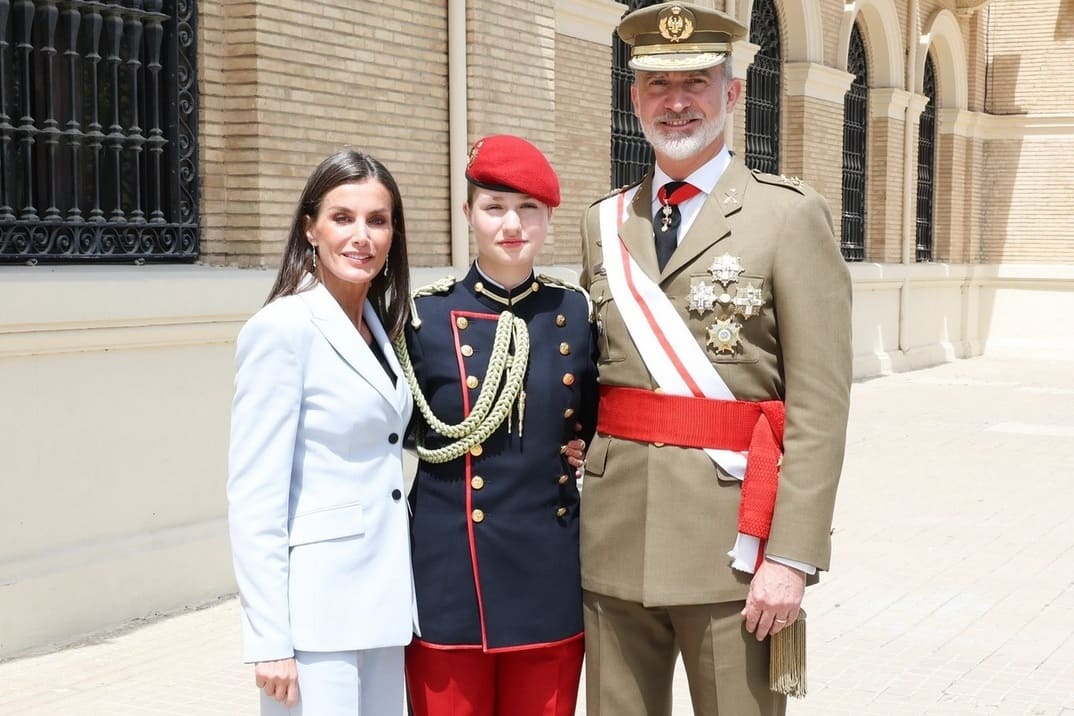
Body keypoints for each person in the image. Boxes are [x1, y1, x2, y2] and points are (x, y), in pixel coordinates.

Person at [577, 3, 853, 715]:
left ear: (731, 95)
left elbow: (821, 406)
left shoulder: (788, 217)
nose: (676, 102)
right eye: (657, 85)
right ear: (635, 98)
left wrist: (790, 558)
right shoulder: (603, 223)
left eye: (695, 82)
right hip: (614, 542)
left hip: (736, 550)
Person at [395, 134, 598, 716]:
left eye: (528, 209)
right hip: (450, 571)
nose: (512, 224)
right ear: (468, 215)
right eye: (493, 207)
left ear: (548, 217)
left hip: (548, 571)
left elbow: (596, 422)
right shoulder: (422, 316)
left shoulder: (576, 314)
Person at [227, 149, 417, 715]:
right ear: (310, 228)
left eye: (377, 220)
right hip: (315, 616)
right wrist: (269, 640)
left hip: (384, 603)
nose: (361, 236)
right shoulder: (282, 329)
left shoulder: (381, 326)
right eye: (342, 218)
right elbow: (255, 495)